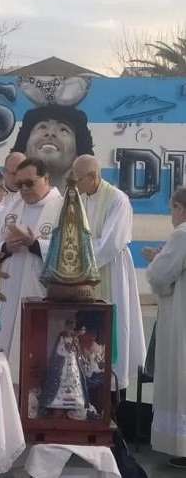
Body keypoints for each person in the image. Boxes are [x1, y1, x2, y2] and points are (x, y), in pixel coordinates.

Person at [71, 154, 146, 393]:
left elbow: (110, 243)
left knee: (114, 326)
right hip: (86, 276)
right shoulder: (82, 199)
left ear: (93, 176)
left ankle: (114, 393)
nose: (75, 184)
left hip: (111, 271)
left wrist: (79, 260)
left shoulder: (118, 200)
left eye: (78, 179)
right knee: (86, 332)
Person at [0, 157, 64, 382]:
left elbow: (72, 253)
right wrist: (5, 247)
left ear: (46, 179)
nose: (23, 189)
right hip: (9, 292)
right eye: (19, 184)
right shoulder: (11, 207)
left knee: (37, 359)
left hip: (41, 291)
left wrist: (34, 245)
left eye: (30, 183)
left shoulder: (63, 209)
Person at [146, 187, 186, 469]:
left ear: (180, 208)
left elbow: (160, 277)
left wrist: (156, 260)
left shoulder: (182, 234)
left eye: (172, 208)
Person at [11, 104, 94, 192]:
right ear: (24, 149)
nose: (50, 133)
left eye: (63, 129)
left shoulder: (89, 203)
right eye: (42, 127)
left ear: (78, 154)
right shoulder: (10, 202)